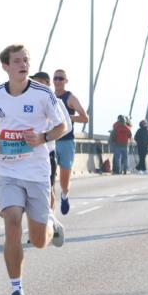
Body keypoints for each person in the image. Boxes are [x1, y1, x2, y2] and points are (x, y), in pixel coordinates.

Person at [0, 44, 68, 295]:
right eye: (17, 61)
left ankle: (51, 223)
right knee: (12, 220)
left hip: (36, 171)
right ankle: (16, 290)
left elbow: (63, 126)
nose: (23, 64)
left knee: (40, 240)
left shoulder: (43, 94)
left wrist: (43, 137)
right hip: (7, 170)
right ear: (6, 66)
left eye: (26, 60)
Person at [32, 71, 71, 210]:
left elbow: (67, 127)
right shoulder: (29, 101)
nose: (36, 86)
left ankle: (51, 221)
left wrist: (47, 137)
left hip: (48, 152)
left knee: (49, 189)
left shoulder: (57, 102)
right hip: (30, 153)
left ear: (48, 84)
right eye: (34, 82)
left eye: (40, 83)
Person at [52, 69, 89, 214]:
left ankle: (64, 194)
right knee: (49, 175)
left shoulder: (70, 98)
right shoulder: (49, 97)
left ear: (66, 81)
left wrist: (68, 117)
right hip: (51, 141)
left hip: (67, 142)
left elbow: (85, 118)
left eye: (61, 78)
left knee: (64, 178)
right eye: (55, 78)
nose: (58, 81)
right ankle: (50, 207)